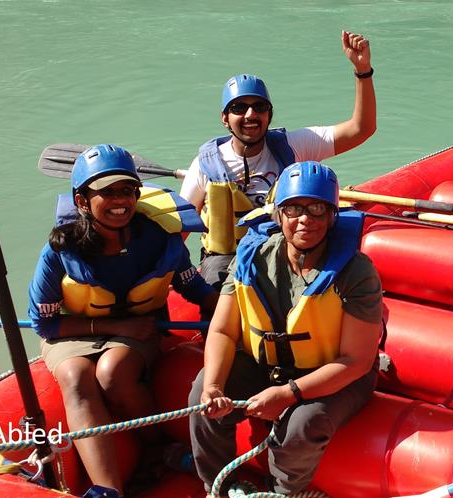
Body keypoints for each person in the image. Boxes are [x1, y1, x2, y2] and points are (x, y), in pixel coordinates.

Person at [28, 144, 219, 498]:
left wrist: (224, 314)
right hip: (75, 328)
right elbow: (45, 325)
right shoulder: (59, 251)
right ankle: (108, 490)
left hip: (141, 327)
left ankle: (157, 445)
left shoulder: (158, 239)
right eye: (107, 192)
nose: (120, 201)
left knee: (112, 371)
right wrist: (114, 328)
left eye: (128, 191)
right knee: (74, 376)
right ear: (82, 201)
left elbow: (190, 284)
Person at [187, 161, 383, 497]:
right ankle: (218, 486)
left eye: (317, 209)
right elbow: (221, 330)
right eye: (293, 209)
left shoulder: (356, 272)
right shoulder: (252, 258)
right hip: (271, 365)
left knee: (302, 424)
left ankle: (284, 492)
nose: (305, 219)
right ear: (279, 215)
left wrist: (290, 394)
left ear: (332, 216)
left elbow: (356, 360)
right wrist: (215, 387)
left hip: (336, 374)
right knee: (200, 393)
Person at [180, 31, 377, 290]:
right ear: (225, 118)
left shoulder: (293, 146)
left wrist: (363, 71)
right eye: (239, 108)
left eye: (259, 107)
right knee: (218, 280)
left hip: (286, 251)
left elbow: (361, 129)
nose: (251, 115)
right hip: (226, 261)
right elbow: (178, 232)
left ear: (269, 115)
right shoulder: (205, 165)